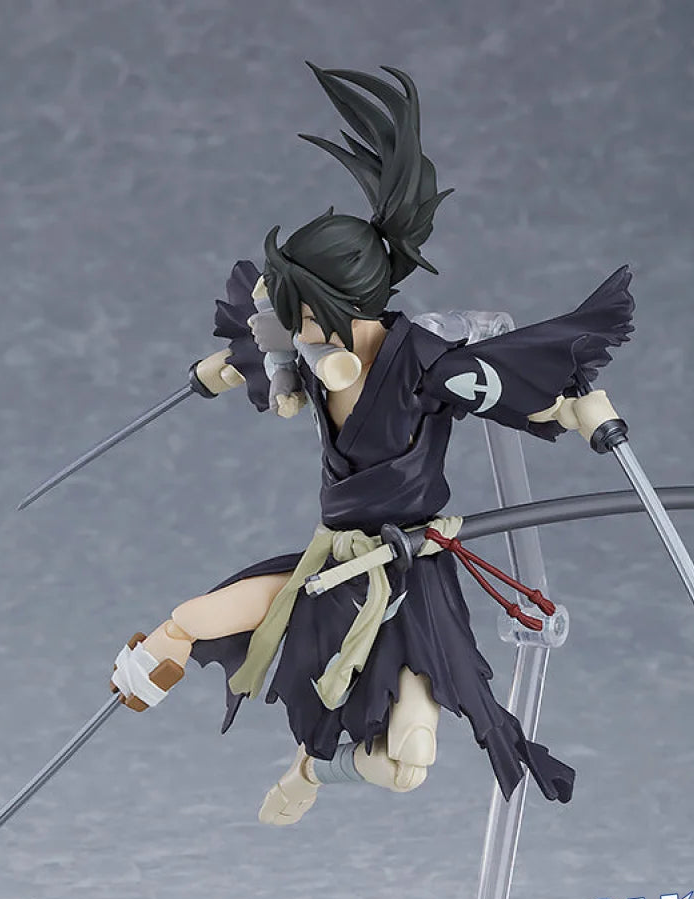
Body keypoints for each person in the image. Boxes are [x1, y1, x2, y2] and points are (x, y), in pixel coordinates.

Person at [109, 64, 634, 825]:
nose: (294, 329)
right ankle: (147, 668)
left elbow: (507, 390)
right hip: (330, 561)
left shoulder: (424, 364)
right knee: (191, 617)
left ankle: (315, 770)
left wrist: (574, 408)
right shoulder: (310, 350)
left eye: (302, 312)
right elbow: (262, 345)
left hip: (410, 574)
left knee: (408, 761)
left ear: (339, 305)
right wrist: (219, 369)